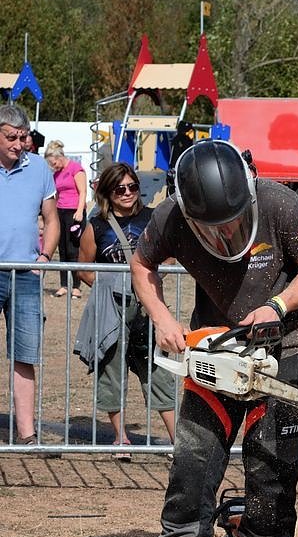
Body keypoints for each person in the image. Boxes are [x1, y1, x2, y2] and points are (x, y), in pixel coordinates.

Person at [131, 139, 298, 537]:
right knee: (191, 476)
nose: (226, 234)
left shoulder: (281, 204)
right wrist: (164, 318)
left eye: (234, 223)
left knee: (271, 484)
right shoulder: (171, 216)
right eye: (213, 229)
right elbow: (141, 265)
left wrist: (279, 306)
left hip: (279, 359)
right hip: (212, 354)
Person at [76, 162, 176, 457]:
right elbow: (82, 268)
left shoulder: (153, 218)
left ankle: (176, 441)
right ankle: (121, 439)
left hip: (149, 309)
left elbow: (169, 257)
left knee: (158, 371)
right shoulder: (97, 226)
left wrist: (152, 283)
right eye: (120, 189)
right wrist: (109, 288)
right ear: (108, 192)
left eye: (133, 187)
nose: (128, 193)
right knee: (112, 371)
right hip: (113, 310)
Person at [0, 104, 60, 445]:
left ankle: (26, 434)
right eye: (11, 137)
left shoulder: (38, 167)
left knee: (25, 354)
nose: (19, 143)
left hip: (25, 274)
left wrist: (44, 256)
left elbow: (51, 219)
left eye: (23, 137)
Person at [44, 139, 87, 299]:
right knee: (62, 249)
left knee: (73, 250)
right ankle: (63, 285)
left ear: (60, 157)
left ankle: (76, 287)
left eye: (54, 163)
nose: (53, 166)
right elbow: (56, 194)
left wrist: (80, 210)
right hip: (60, 211)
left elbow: (83, 191)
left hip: (74, 213)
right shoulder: (56, 174)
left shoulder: (76, 169)